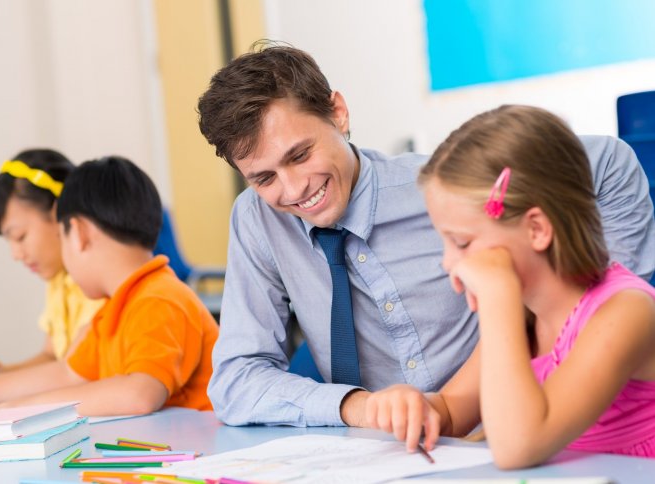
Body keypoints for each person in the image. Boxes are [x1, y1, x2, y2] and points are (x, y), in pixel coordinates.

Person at [197, 42, 655, 428]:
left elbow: (610, 164)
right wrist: (356, 407)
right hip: (402, 449)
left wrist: (582, 320)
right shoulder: (259, 219)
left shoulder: (443, 188)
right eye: (264, 178)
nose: (294, 190)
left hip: (509, 424)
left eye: (300, 155)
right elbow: (237, 378)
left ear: (338, 113)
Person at [367, 105, 655, 467]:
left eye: (461, 242)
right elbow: (454, 414)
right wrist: (413, 407)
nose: (447, 262)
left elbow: (519, 447)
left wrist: (497, 295)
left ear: (536, 229)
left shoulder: (626, 311)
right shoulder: (524, 316)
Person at [0, 156, 219, 415]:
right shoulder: (113, 310)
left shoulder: (159, 299)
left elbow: (139, 393)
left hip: (216, 452)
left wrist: (20, 410)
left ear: (78, 233)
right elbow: (67, 373)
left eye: (62, 235)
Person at [0, 149, 104, 379]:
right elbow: (52, 356)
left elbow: (72, 372)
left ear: (60, 212)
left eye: (20, 236)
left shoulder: (97, 282)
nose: (15, 254)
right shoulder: (59, 279)